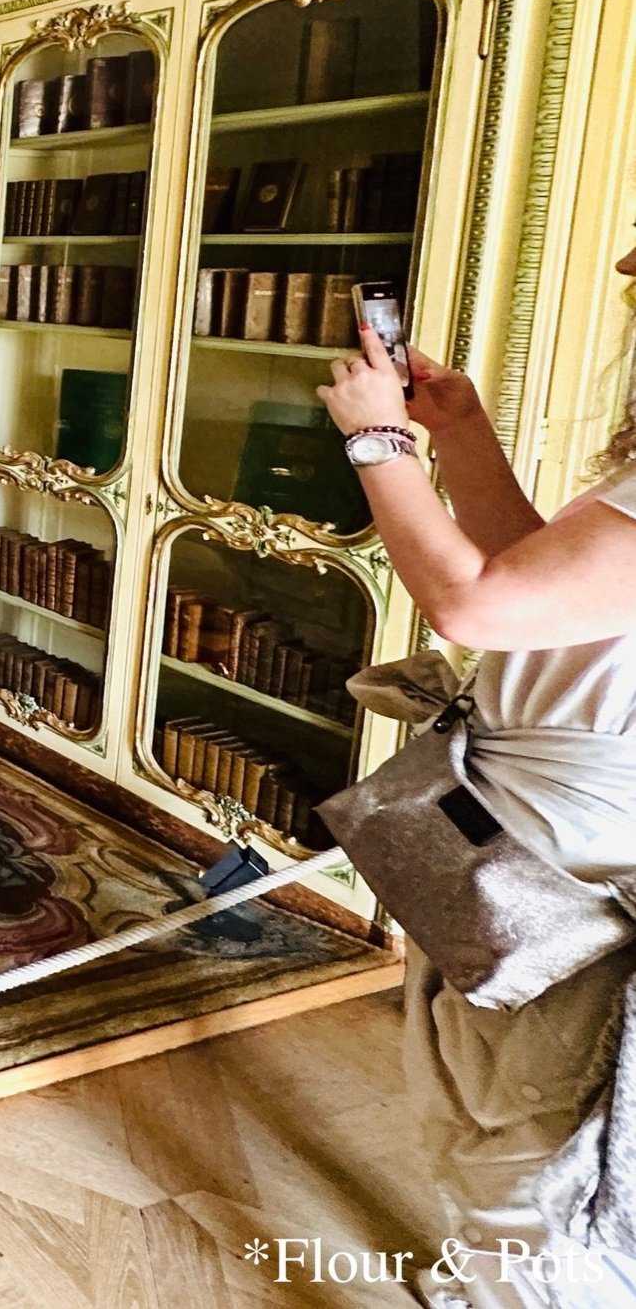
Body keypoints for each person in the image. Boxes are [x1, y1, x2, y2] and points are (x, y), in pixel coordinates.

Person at [319, 276, 636, 1308]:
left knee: (528, 1135)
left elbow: (471, 601)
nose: (622, 277)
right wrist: (459, 435)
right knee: (478, 1086)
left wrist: (380, 445)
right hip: (514, 845)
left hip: (564, 868)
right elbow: (535, 586)